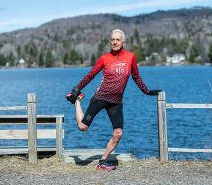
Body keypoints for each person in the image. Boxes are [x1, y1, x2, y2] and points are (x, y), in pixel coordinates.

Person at [66, 29, 160, 171]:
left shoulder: (130, 57)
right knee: (82, 127)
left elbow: (136, 76)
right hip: (100, 98)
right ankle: (77, 101)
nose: (115, 42)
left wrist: (146, 91)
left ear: (123, 42)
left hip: (116, 102)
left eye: (117, 39)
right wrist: (76, 88)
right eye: (112, 39)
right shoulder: (104, 58)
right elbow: (90, 75)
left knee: (118, 133)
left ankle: (102, 161)